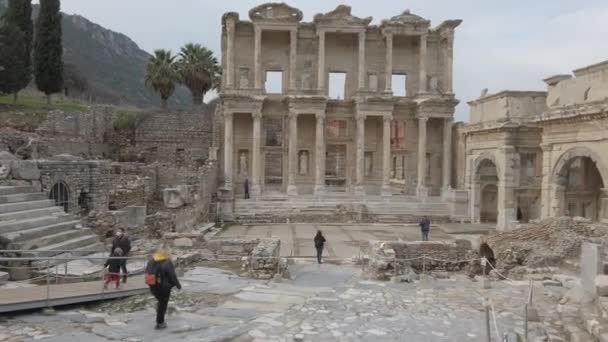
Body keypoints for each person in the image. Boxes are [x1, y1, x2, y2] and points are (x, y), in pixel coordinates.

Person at [146, 249, 182, 330]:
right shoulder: (167, 262)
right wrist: (178, 286)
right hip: (164, 287)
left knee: (160, 302)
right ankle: (160, 322)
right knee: (163, 304)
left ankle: (159, 315)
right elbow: (172, 276)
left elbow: (147, 273)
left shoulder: (151, 260)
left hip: (153, 286)